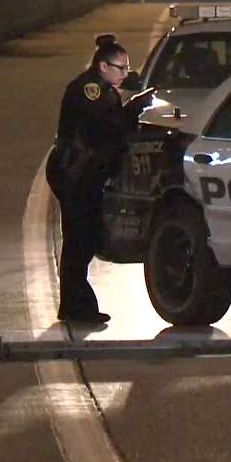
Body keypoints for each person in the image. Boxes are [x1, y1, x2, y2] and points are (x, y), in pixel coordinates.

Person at [46, 34, 155, 323]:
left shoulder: (103, 89)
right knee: (80, 239)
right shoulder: (90, 90)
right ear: (103, 66)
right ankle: (76, 307)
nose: (124, 74)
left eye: (127, 69)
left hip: (84, 173)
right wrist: (134, 108)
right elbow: (106, 126)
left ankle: (75, 305)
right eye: (120, 68)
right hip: (75, 172)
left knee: (85, 238)